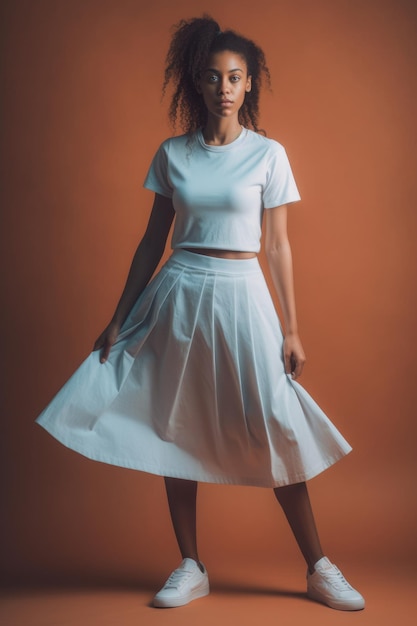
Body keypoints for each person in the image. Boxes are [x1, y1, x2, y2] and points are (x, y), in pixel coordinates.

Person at [36, 16, 365, 612]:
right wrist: (119, 315)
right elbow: (151, 240)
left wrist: (291, 328)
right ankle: (191, 563)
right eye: (213, 77)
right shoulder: (173, 154)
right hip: (179, 292)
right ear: (196, 82)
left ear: (249, 84)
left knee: (273, 419)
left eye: (235, 77)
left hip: (244, 292)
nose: (224, 88)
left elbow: (278, 245)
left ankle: (319, 566)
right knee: (173, 421)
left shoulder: (269, 154)